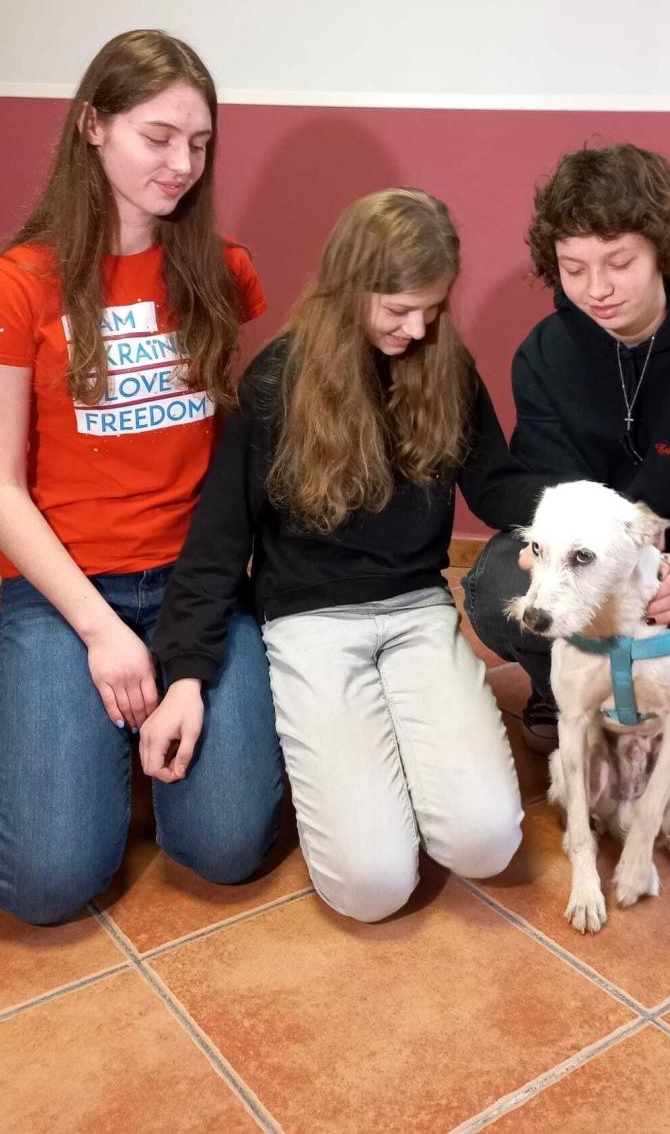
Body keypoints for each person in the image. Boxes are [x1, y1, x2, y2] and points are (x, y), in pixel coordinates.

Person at [0, 30, 283, 924]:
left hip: (198, 584)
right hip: (66, 594)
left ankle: (137, 726)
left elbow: (231, 458)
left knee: (226, 849)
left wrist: (193, 632)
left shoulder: (223, 273)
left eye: (200, 143)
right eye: (158, 136)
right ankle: (98, 724)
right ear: (92, 127)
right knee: (45, 887)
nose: (181, 164)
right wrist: (102, 633)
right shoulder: (19, 282)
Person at [140, 188, 525, 923]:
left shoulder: (444, 363)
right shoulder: (274, 383)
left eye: (432, 309)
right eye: (398, 309)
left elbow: (499, 485)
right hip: (311, 622)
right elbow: (217, 546)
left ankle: (397, 749)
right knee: (371, 889)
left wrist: (587, 515)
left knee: (485, 843)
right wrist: (185, 676)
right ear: (351, 284)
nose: (416, 329)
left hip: (415, 611)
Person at [463, 143, 670, 826]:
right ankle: (571, 692)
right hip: (589, 572)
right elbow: (549, 487)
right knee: (500, 584)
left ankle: (638, 695)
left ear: (662, 250)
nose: (597, 289)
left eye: (619, 263)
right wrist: (551, 545)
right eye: (573, 268)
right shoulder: (545, 355)